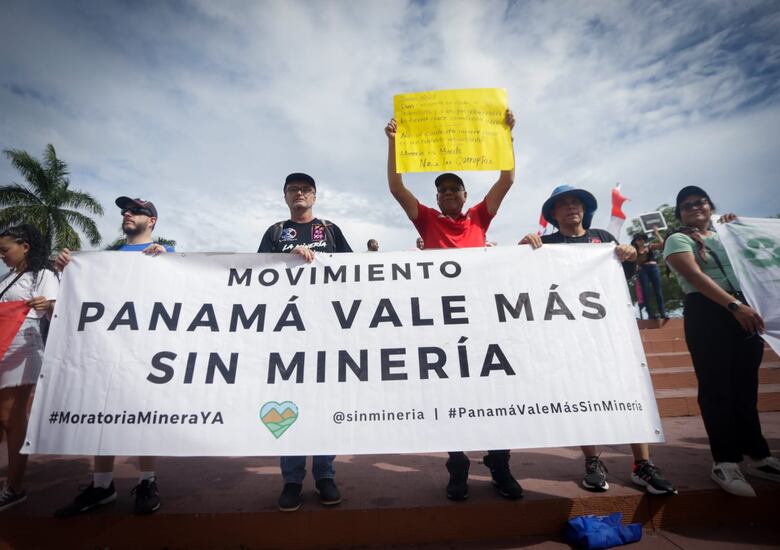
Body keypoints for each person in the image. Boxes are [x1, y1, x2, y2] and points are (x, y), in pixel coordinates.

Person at [385, 110, 524, 501]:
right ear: (437, 198)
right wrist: (394, 141)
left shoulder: (480, 216)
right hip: (441, 322)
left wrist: (506, 136)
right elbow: (397, 187)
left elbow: (508, 178)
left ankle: (500, 464)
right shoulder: (427, 221)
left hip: (482, 317)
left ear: (465, 195)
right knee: (453, 395)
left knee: (494, 392)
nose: (448, 194)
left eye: (454, 189)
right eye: (442, 190)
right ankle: (458, 464)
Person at [520, 185, 677, 496]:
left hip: (609, 329)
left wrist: (631, 255)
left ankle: (641, 464)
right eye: (562, 205)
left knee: (628, 389)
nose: (570, 208)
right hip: (566, 332)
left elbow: (623, 276)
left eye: (575, 203)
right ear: (553, 214)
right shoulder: (545, 243)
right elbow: (521, 275)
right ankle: (593, 461)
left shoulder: (604, 239)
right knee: (580, 394)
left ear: (584, 209)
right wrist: (523, 246)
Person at [54, 197, 173, 517]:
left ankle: (147, 480)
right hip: (109, 347)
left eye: (136, 211)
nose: (127, 214)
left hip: (148, 347)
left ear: (152, 221)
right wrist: (67, 268)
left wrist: (168, 260)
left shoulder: (168, 255)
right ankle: (102, 484)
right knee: (103, 412)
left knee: (145, 414)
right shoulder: (104, 261)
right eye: (125, 210)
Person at [664, 186, 779, 497]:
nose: (695, 208)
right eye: (686, 206)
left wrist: (735, 228)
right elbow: (696, 276)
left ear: (710, 205)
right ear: (680, 214)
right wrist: (733, 306)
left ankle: (758, 455)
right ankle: (725, 461)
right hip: (708, 312)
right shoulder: (678, 239)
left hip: (747, 310)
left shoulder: (727, 233)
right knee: (716, 387)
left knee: (745, 386)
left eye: (700, 202)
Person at [258, 172, 351, 512]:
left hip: (325, 328)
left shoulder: (329, 229)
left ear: (314, 196)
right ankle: (292, 479)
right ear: (285, 197)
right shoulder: (274, 233)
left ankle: (325, 474)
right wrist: (285, 258)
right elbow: (255, 274)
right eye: (293, 189)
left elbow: (352, 272)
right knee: (290, 403)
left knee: (324, 402)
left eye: (305, 189)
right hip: (285, 331)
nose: (299, 194)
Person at [0, 225, 58, 511]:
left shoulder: (43, 276)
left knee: (12, 417)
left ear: (25, 247)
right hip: (3, 348)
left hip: (22, 349)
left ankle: (14, 485)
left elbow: (60, 311)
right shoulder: (7, 279)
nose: (2, 257)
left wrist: (47, 305)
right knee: (4, 418)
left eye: (5, 250)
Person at [631, 229, 667, 319]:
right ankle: (651, 315)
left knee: (658, 291)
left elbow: (663, 245)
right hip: (643, 270)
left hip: (654, 268)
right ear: (635, 242)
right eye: (638, 239)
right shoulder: (634, 251)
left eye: (642, 239)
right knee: (646, 292)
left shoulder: (650, 246)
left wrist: (657, 234)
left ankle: (663, 313)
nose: (641, 241)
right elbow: (634, 263)